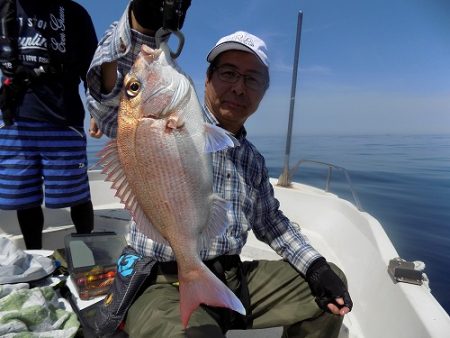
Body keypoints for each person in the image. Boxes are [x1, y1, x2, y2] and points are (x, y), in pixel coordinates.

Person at [86, 1, 353, 337]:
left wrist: (314, 268)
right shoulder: (157, 123)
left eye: (252, 79)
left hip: (232, 276)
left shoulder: (251, 159)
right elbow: (105, 98)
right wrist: (140, 22)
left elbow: (272, 223)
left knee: (331, 285)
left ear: (262, 93)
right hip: (161, 280)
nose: (239, 87)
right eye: (228, 74)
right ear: (208, 79)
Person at [0, 0, 98, 249]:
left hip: (63, 121)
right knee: (25, 198)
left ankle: (87, 256)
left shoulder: (76, 14)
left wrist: (96, 111)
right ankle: (35, 258)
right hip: (15, 121)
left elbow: (91, 68)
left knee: (77, 195)